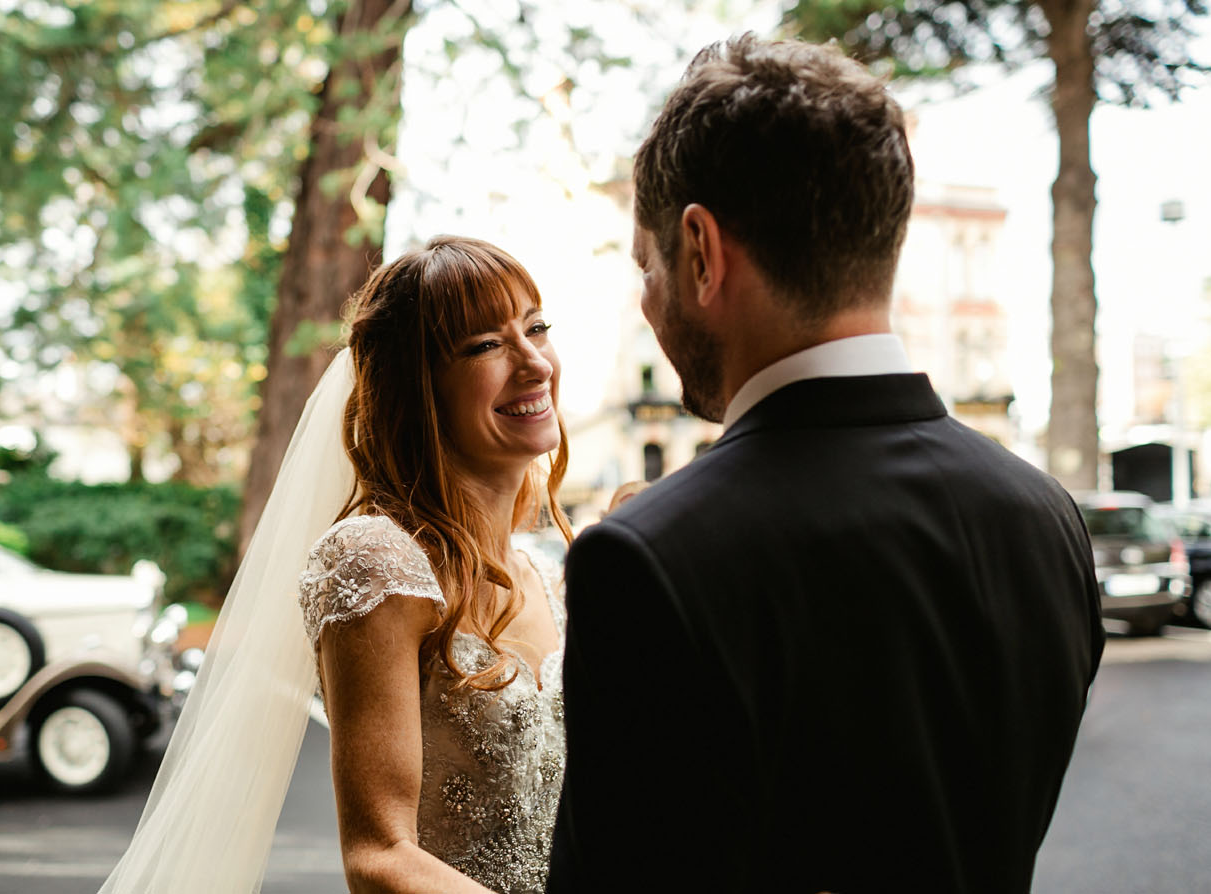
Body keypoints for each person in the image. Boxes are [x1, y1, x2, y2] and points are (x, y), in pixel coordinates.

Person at [546, 35, 1105, 894]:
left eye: (646, 265)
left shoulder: (644, 561)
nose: (647, 299)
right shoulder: (1046, 518)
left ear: (701, 250)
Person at [99, 237, 571, 894]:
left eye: (537, 327)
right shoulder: (378, 561)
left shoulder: (551, 576)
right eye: (486, 345)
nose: (534, 362)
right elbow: (378, 855)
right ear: (419, 387)